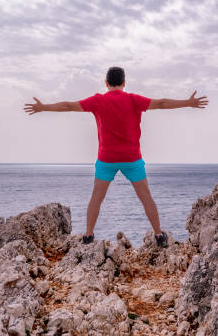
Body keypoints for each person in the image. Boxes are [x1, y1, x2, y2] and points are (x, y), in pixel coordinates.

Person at [23, 67, 208, 247]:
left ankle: (88, 236)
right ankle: (159, 236)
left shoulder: (98, 101)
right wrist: (188, 103)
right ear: (124, 83)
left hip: (106, 159)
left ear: (106, 83)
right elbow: (161, 103)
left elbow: (68, 106)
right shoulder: (134, 100)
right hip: (132, 158)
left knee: (96, 198)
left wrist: (42, 107)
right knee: (146, 198)